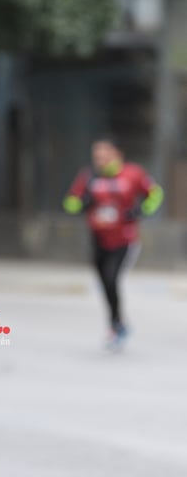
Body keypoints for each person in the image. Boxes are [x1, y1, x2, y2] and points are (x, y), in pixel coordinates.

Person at [63, 137, 164, 350]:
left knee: (111, 279)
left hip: (124, 240)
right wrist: (82, 204)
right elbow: (70, 202)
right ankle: (116, 324)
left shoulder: (133, 174)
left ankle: (116, 325)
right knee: (105, 285)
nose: (99, 159)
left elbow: (156, 194)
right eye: (96, 155)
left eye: (104, 154)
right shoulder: (89, 177)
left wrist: (140, 211)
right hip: (98, 239)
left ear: (117, 154)